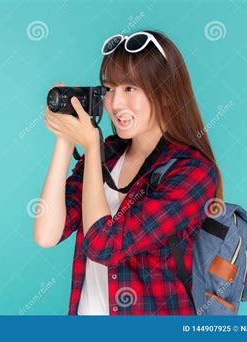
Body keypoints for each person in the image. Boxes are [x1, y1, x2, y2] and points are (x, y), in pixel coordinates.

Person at [33, 30, 222, 315]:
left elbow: (104, 246)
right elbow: (47, 234)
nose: (116, 103)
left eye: (130, 88)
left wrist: (91, 148)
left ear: (167, 94)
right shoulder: (110, 154)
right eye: (109, 89)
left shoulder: (193, 172)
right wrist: (64, 139)